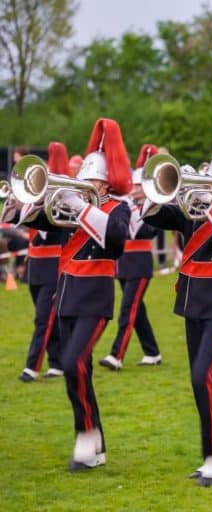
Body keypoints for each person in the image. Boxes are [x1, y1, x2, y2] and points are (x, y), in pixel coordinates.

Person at [142, 116, 212, 486]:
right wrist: (153, 193)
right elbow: (160, 218)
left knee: (203, 376)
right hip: (193, 301)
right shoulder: (195, 206)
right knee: (202, 382)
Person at [24, 119, 132, 471]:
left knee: (72, 363)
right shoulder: (72, 206)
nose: (85, 184)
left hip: (96, 300)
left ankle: (86, 437)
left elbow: (116, 241)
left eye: (92, 180)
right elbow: (38, 221)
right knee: (78, 370)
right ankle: (93, 441)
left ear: (106, 181)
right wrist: (27, 199)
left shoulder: (118, 208)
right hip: (67, 296)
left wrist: (81, 206)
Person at [99, 144, 162, 370]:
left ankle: (117, 355)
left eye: (139, 186)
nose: (134, 190)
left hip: (140, 263)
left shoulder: (153, 207)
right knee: (137, 310)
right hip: (123, 263)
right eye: (133, 186)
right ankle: (152, 351)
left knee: (128, 309)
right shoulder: (127, 205)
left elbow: (147, 232)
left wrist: (136, 211)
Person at [11, 142, 71, 382]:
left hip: (52, 265)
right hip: (36, 264)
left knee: (43, 318)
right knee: (45, 315)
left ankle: (32, 366)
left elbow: (53, 227)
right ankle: (57, 362)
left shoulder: (61, 202)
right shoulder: (33, 201)